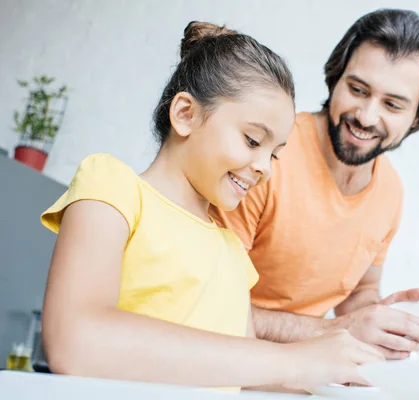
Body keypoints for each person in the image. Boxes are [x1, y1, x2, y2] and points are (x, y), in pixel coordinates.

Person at [38, 21, 383, 392]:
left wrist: (341, 373)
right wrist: (291, 360)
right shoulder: (112, 187)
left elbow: (250, 375)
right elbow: (76, 342)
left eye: (275, 155)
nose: (265, 168)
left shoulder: (233, 255)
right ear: (185, 114)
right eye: (253, 140)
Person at [210, 8, 419, 360]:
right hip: (226, 367)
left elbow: (361, 288)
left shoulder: (390, 191)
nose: (367, 116)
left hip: (303, 373)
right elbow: (210, 305)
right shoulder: (265, 158)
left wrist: (377, 317)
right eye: (357, 89)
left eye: (392, 104)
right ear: (335, 79)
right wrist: (337, 330)